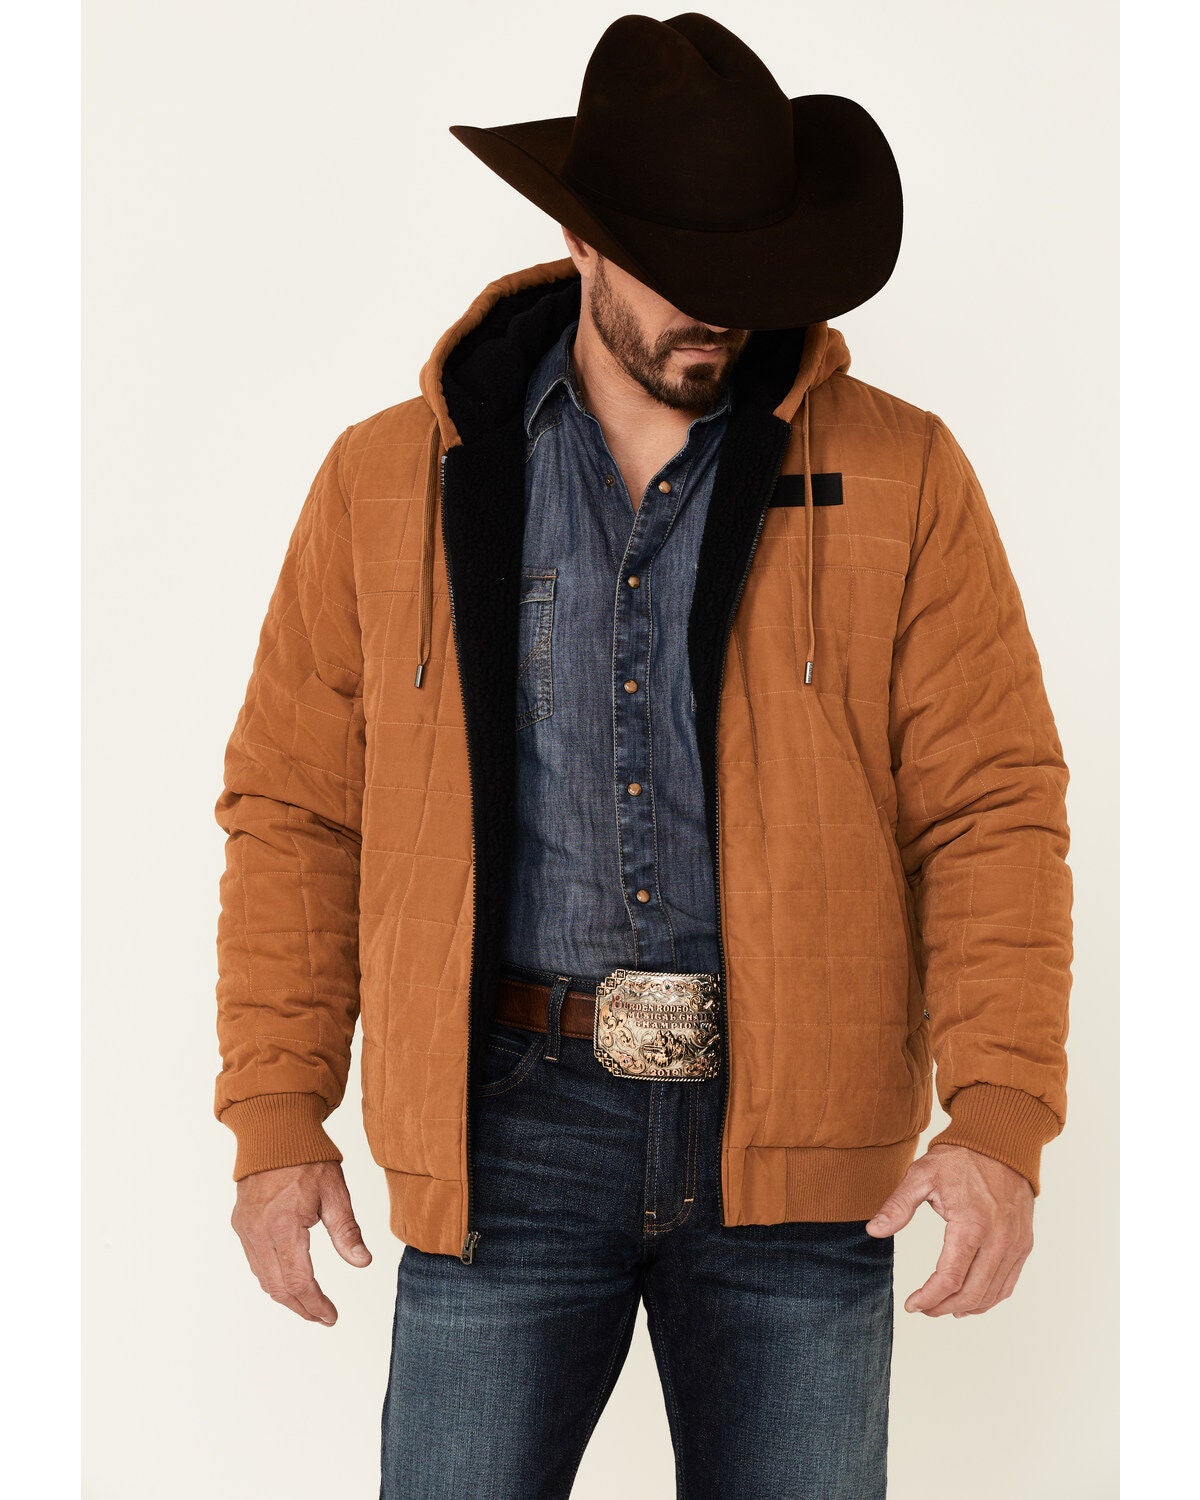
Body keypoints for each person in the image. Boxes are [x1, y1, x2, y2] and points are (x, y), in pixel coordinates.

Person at [212, 13, 1074, 1498]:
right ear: (582, 241)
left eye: (749, 268)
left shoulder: (903, 474)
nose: (719, 312)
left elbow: (991, 808)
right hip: (508, 1133)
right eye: (683, 267)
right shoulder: (385, 483)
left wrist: (999, 1116)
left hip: (800, 1143)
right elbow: (296, 814)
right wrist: (277, 1114)